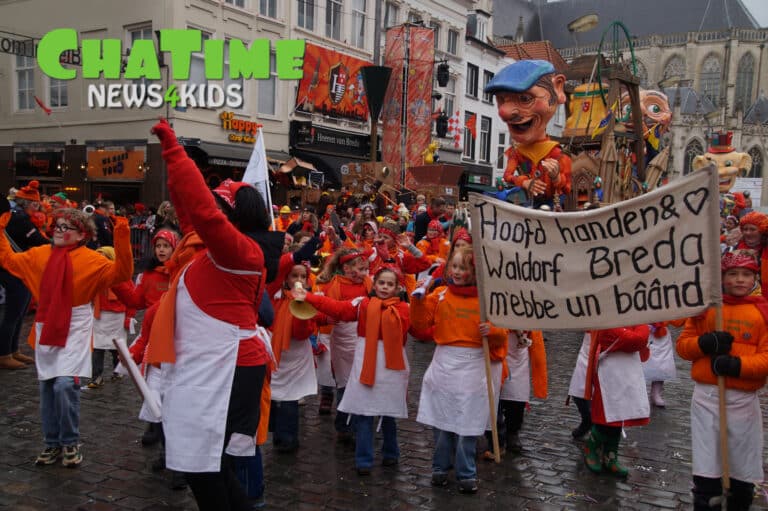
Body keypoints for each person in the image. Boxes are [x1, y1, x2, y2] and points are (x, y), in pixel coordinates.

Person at [149, 119, 271, 510]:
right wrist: (172, 160)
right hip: (208, 364)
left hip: (231, 368)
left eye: (218, 202)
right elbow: (189, 207)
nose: (208, 206)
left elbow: (202, 212)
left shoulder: (242, 253)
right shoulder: (204, 246)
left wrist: (175, 152)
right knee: (205, 465)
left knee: (206, 467)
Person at [0, 204, 133, 467]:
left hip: (75, 326)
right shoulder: (40, 254)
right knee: (48, 387)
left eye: (67, 227)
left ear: (82, 234)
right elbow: (9, 260)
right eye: (57, 226)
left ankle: (70, 441)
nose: (59, 231)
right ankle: (52, 443)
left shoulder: (93, 260)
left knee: (64, 385)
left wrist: (122, 235)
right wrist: (0, 227)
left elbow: (122, 272)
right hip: (47, 323)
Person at [295, 266, 410, 475]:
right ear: (374, 285)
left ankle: (391, 453)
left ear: (397, 288)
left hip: (390, 370)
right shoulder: (362, 305)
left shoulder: (404, 309)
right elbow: (338, 308)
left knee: (388, 413)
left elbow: (417, 327)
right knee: (364, 411)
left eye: (390, 284)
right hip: (366, 366)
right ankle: (363, 460)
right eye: (381, 283)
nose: (385, 287)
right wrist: (309, 297)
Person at [676, 250, 768, 511]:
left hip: (743, 401)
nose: (739, 280)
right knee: (707, 463)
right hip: (707, 399)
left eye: (746, 274)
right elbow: (683, 347)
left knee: (741, 466)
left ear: (755, 278)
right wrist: (704, 344)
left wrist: (737, 366)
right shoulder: (706, 309)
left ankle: (740, 499)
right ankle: (705, 500)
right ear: (722, 277)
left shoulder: (763, 312)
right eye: (732, 274)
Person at [411, 247, 507, 494]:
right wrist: (418, 301)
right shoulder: (440, 294)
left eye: (462, 268)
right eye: (453, 266)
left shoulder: (486, 300)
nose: (456, 272)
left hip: (474, 366)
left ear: (474, 272)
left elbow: (501, 336)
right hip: (445, 364)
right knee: (442, 420)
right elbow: (420, 325)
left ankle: (467, 472)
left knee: (469, 423)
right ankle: (440, 467)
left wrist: (492, 331)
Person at [485, 60, 571, 209]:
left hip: (549, 206)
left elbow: (567, 188)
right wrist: (524, 182)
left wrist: (556, 177)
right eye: (501, 100)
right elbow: (508, 176)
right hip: (526, 204)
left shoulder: (557, 154)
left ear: (557, 88)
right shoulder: (517, 152)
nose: (505, 112)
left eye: (525, 99)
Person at [313, 248, 372, 433]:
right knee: (344, 383)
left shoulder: (369, 283)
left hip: (364, 337)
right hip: (341, 341)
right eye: (360, 269)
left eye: (366, 269)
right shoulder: (333, 286)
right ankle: (344, 425)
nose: (364, 273)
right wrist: (326, 320)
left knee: (363, 379)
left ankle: (362, 419)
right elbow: (319, 313)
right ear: (346, 269)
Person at [582, 325, 651, 478]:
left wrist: (631, 336)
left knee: (622, 413)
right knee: (608, 413)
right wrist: (630, 335)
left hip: (630, 369)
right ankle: (592, 448)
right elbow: (609, 334)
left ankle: (611, 455)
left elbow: (640, 337)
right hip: (609, 369)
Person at [268, 263, 318, 453]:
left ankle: (288, 439)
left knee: (291, 397)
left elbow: (303, 333)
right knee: (273, 394)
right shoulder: (276, 298)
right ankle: (277, 433)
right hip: (277, 351)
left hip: (296, 354)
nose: (299, 280)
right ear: (286, 279)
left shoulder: (309, 299)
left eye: (303, 277)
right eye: (294, 276)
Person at [0, 180, 48, 370]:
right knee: (14, 312)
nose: (39, 206)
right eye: (36, 203)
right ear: (29, 203)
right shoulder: (19, 219)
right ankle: (4, 353)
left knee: (19, 311)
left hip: (19, 266)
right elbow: (38, 240)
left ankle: (12, 350)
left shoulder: (18, 217)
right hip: (13, 268)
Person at [88, 246, 134, 388]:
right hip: (99, 317)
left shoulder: (122, 277)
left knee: (116, 348)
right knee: (97, 347)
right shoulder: (94, 277)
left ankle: (117, 370)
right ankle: (96, 377)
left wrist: (129, 317)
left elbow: (132, 298)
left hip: (117, 318)